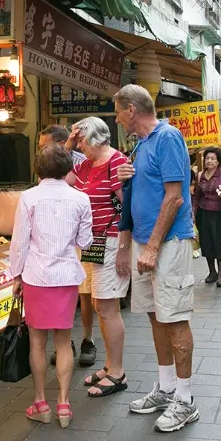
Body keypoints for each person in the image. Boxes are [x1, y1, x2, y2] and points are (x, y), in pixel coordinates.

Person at [113, 84, 198, 433]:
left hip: (169, 243)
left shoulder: (168, 137)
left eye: (118, 111)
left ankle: (186, 399)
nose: (117, 118)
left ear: (131, 109)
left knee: (174, 317)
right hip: (146, 242)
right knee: (155, 316)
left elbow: (175, 198)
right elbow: (142, 195)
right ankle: (164, 389)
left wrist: (151, 247)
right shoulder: (141, 145)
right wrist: (124, 182)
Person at [9, 145, 93, 428]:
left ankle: (41, 402)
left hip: (36, 276)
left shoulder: (29, 197)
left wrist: (16, 276)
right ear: (68, 168)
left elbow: (19, 242)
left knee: (37, 342)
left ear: (38, 168)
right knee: (64, 341)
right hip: (67, 276)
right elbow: (85, 241)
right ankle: (65, 405)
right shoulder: (81, 199)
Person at [65, 117, 130, 397]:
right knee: (98, 304)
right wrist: (67, 146)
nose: (79, 145)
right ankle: (109, 365)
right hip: (92, 242)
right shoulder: (86, 166)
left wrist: (125, 249)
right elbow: (61, 178)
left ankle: (117, 372)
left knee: (107, 307)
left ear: (93, 138)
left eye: (80, 140)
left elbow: (128, 208)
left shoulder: (116, 162)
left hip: (112, 241)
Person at [40, 125, 92, 366]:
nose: (42, 151)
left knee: (84, 290)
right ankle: (64, 342)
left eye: (45, 147)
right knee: (56, 291)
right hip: (53, 235)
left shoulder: (83, 160)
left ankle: (87, 340)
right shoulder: (45, 165)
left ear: (61, 143)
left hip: (79, 232)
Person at [193, 146, 221, 287]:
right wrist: (193, 212)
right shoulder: (200, 176)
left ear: (218, 161)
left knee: (220, 243)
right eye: (207, 158)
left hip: (219, 214)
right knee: (207, 243)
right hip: (203, 214)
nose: (209, 161)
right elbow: (196, 196)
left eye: (212, 159)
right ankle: (212, 272)